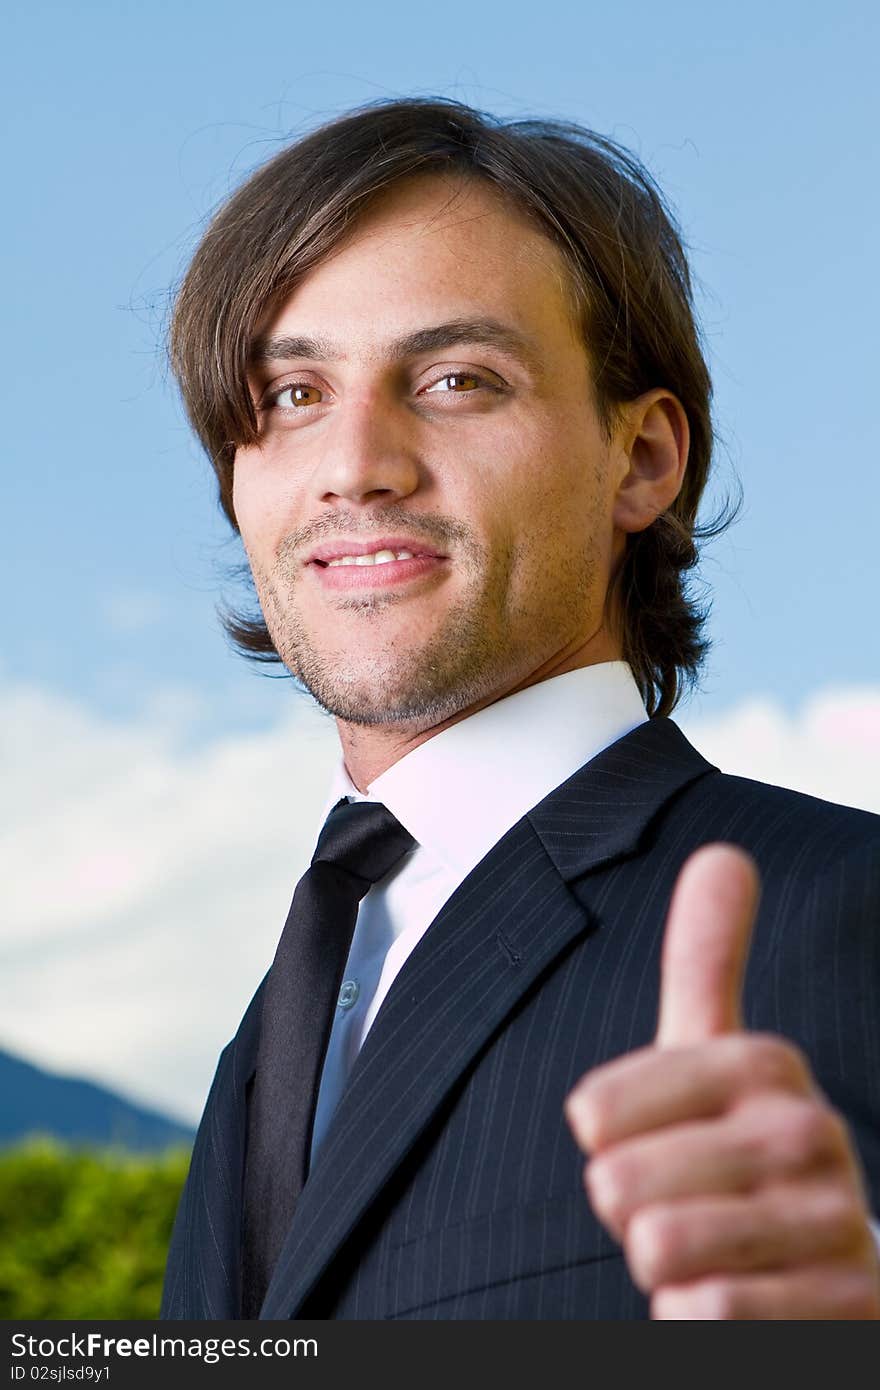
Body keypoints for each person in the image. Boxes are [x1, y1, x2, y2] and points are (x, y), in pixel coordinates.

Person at [160, 97, 880, 1320]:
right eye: (290, 395)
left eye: (455, 378)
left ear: (642, 459)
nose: (354, 460)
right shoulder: (269, 1037)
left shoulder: (845, 911)